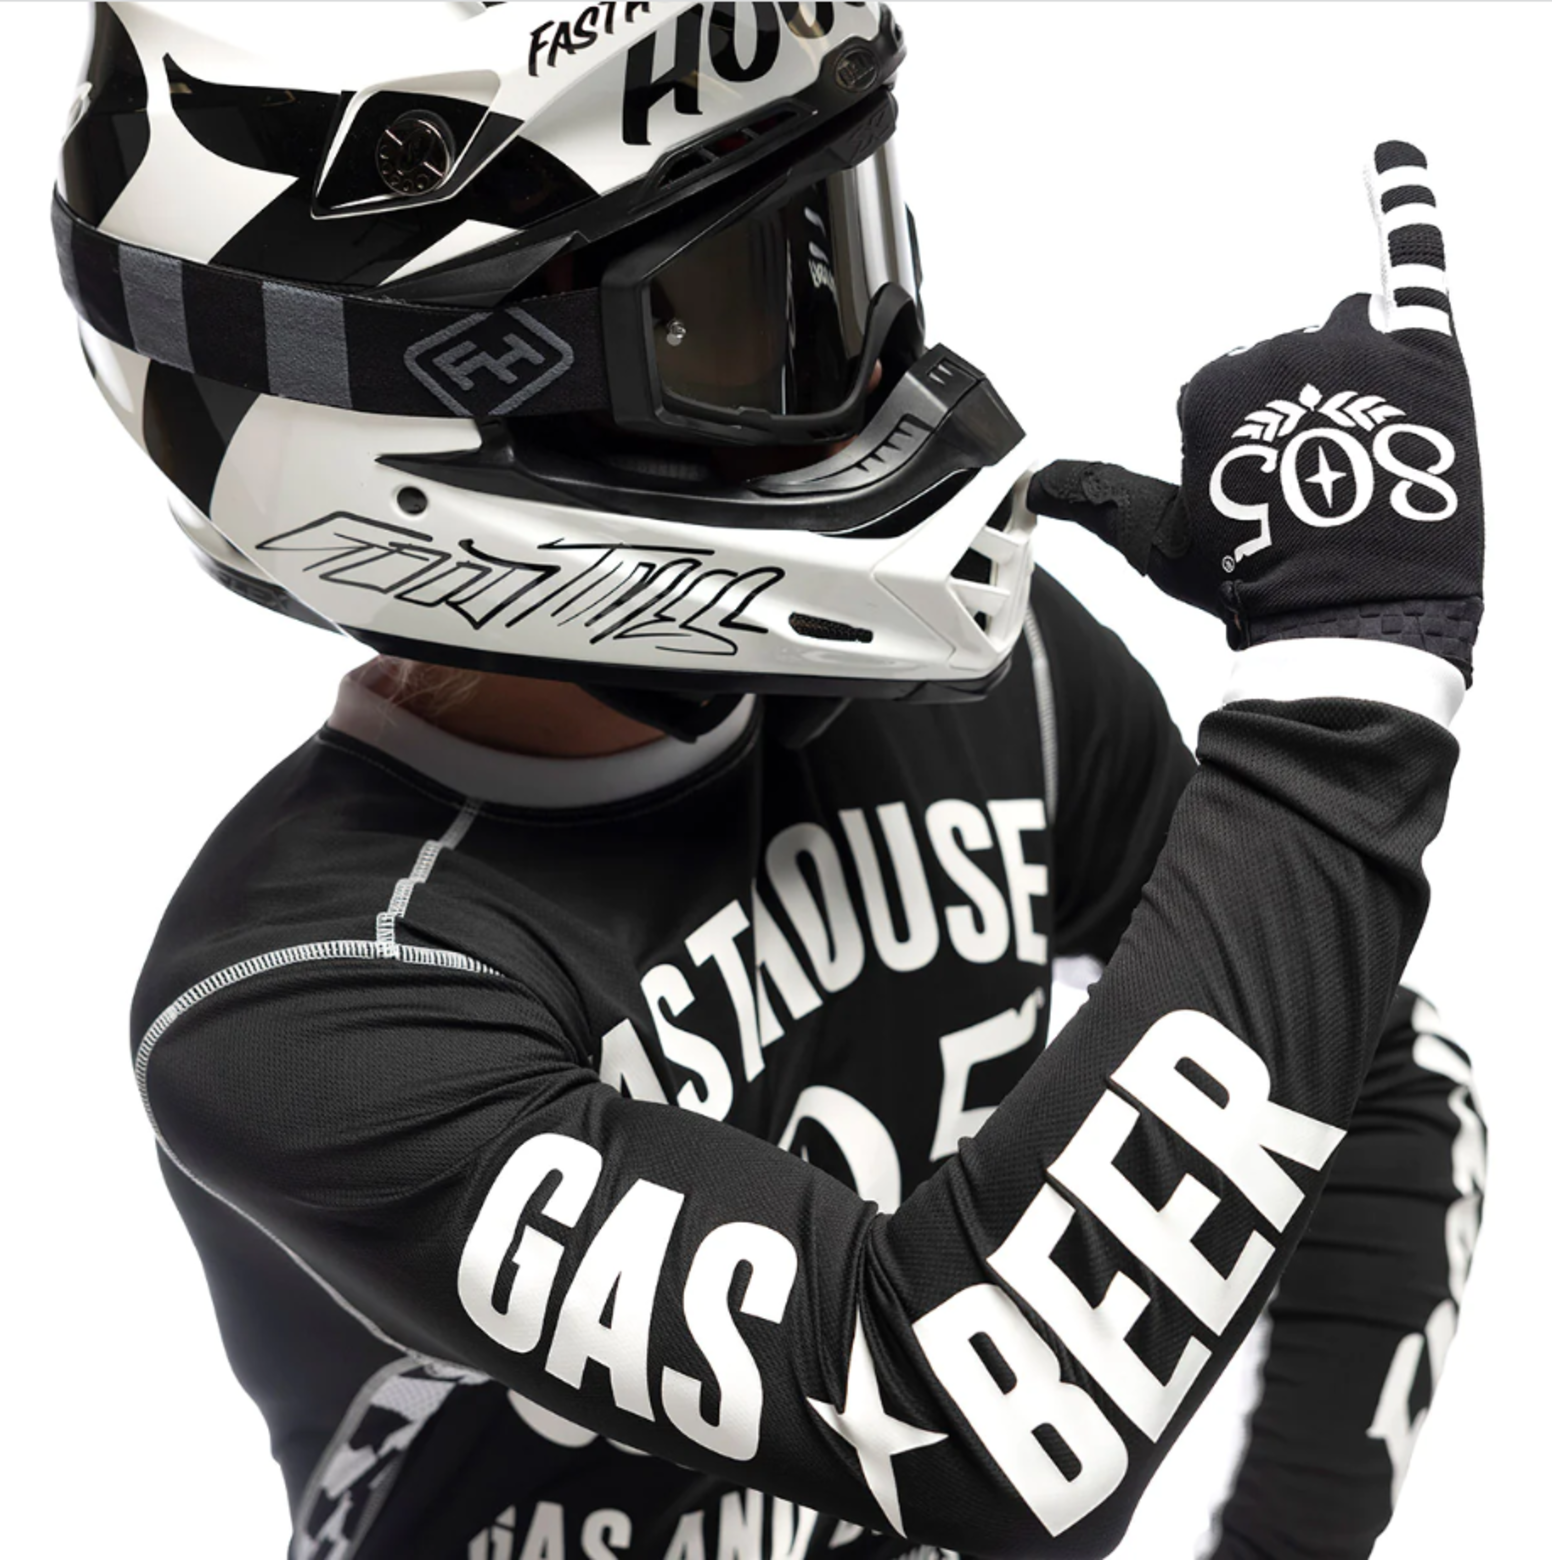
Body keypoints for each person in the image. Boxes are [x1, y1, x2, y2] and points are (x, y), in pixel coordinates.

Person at [56, 4, 1487, 1557]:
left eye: (842, 244)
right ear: (450, 398)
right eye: (740, 308)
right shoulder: (301, 1004)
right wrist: (1343, 697)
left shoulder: (1009, 683)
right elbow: (968, 1413)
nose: (863, 359)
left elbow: (1376, 1079)